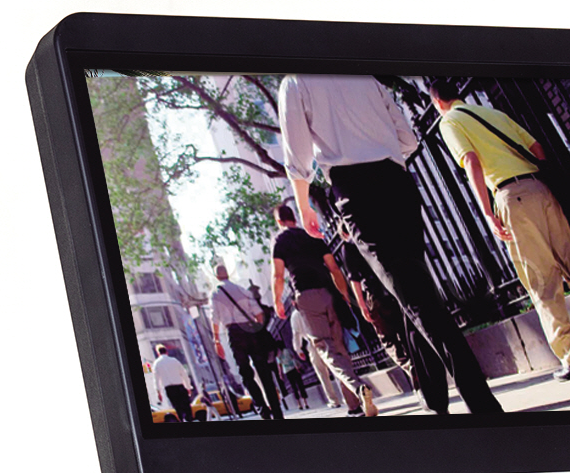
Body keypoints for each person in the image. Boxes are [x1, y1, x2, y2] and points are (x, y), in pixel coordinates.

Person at [278, 73, 504, 416]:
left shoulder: (296, 82)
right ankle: (432, 397)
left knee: (416, 298)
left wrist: (304, 205)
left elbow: (297, 153)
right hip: (398, 184)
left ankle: (484, 406)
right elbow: (408, 141)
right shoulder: (366, 78)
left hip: (356, 192)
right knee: (412, 291)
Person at [429, 80, 570, 382]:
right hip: (542, 190)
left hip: (511, 197)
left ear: (437, 102)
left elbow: (471, 159)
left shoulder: (449, 121)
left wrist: (487, 211)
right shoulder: (492, 114)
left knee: (542, 282)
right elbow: (537, 148)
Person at [270, 202, 378, 417]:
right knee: (339, 348)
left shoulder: (280, 241)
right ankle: (354, 406)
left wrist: (277, 301)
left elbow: (278, 275)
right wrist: (344, 294)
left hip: (307, 297)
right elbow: (334, 268)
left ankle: (358, 388)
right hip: (329, 294)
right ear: (294, 218)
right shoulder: (312, 236)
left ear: (279, 221)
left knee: (324, 348)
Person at [208, 263, 284, 420]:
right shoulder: (242, 290)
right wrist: (258, 328)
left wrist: (217, 340)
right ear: (228, 273)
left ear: (216, 277)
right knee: (264, 371)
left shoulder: (215, 294)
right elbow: (259, 313)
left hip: (234, 332)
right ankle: (277, 411)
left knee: (246, 373)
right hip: (251, 330)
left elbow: (214, 318)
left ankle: (262, 409)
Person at [149, 343, 194, 422]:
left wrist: (158, 392)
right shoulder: (174, 360)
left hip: (170, 389)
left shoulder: (156, 364)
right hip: (180, 387)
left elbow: (156, 379)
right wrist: (188, 387)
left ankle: (182, 419)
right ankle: (189, 420)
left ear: (158, 353)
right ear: (166, 352)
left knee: (177, 407)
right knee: (186, 406)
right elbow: (184, 374)